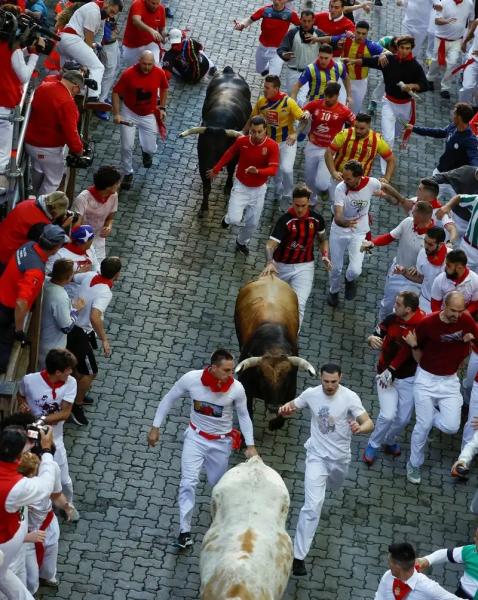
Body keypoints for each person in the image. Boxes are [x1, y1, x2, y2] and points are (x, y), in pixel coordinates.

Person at [147, 349, 258, 549]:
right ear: (213, 368)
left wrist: (250, 445)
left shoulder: (237, 389)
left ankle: (221, 520)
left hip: (221, 444)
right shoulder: (191, 379)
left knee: (218, 485)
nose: (230, 375)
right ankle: (184, 531)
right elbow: (169, 398)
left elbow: (243, 416)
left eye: (232, 370)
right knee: (188, 483)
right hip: (195, 439)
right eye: (226, 370)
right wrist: (155, 427)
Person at [278, 363, 373, 576]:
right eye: (326, 381)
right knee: (312, 506)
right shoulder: (311, 394)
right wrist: (283, 411)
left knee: (335, 485)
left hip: (340, 459)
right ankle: (298, 557)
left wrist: (360, 428)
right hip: (316, 457)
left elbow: (369, 423)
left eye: (334, 382)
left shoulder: (350, 397)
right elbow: (289, 408)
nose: (330, 386)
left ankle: (328, 485)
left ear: (340, 378)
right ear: (320, 378)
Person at [404, 291, 478, 484]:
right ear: (444, 306)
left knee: (452, 426)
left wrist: (468, 345)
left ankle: (426, 413)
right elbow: (416, 347)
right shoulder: (427, 324)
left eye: (460, 311)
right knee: (423, 425)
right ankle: (414, 464)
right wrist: (415, 352)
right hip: (426, 379)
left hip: (449, 380)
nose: (457, 315)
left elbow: (475, 341)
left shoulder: (466, 321)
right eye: (453, 310)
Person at [347, 35, 428, 174]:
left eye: (407, 48)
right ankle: (385, 171)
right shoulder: (388, 60)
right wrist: (353, 61)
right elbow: (369, 61)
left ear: (411, 49)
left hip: (405, 106)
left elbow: (425, 85)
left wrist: (411, 86)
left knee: (396, 133)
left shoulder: (416, 67)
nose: (404, 51)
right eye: (402, 48)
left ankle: (391, 146)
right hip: (388, 103)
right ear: (397, 48)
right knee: (388, 138)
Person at [17, 349, 80, 522]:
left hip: (55, 438)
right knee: (32, 474)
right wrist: (23, 405)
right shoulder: (29, 380)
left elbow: (65, 413)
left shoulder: (71, 383)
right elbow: (20, 396)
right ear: (58, 372)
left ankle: (68, 505)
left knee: (64, 478)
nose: (71, 372)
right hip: (31, 437)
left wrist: (41, 420)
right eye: (68, 370)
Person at [363, 291, 426, 465]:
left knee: (404, 418)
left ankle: (389, 440)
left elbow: (414, 354)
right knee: (388, 415)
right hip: (384, 375)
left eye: (398, 304)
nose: (394, 306)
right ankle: (373, 444)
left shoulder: (422, 326)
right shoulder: (392, 318)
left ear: (409, 309)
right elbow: (377, 333)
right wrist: (371, 339)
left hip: (408, 379)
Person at [0, 225, 69, 374]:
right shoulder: (35, 271)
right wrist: (18, 329)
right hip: (6, 311)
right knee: (3, 358)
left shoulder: (29, 246)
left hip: (3, 294)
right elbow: (21, 302)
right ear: (56, 247)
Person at [207, 116, 280, 257]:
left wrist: (257, 171)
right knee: (235, 219)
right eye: (253, 131)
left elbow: (273, 170)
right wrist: (216, 168)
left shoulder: (272, 146)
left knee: (252, 223)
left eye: (259, 131)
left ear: (265, 130)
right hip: (241, 187)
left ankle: (241, 242)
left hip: (259, 190)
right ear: (250, 130)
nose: (256, 135)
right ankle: (227, 219)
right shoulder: (242, 141)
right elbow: (230, 153)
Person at [261, 184, 331, 326]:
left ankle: (292, 340)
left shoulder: (317, 219)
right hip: (280, 267)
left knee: (299, 305)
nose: (299, 209)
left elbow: (323, 239)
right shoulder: (285, 220)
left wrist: (324, 255)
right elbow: (270, 245)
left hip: (304, 267)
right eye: (296, 205)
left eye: (303, 205)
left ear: (309, 202)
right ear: (292, 202)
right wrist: (269, 262)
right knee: (269, 303)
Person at [0, 425, 57, 600]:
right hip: (4, 544)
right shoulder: (16, 486)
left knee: (5, 577)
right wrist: (46, 450)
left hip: (7, 547)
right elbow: (47, 484)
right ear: (18, 456)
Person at [66, 256, 122, 425]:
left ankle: (75, 394)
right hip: (80, 333)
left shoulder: (90, 276)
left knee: (77, 367)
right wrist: (104, 339)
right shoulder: (105, 292)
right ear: (117, 274)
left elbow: (72, 277)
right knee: (90, 372)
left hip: (72, 326)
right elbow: (95, 317)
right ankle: (76, 406)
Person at [361, 201, 435, 321]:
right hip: (396, 272)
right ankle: (380, 330)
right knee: (387, 305)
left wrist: (419, 267)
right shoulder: (407, 222)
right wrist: (372, 243)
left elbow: (434, 261)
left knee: (402, 312)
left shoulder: (433, 237)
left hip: (415, 282)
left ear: (421, 216)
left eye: (414, 211)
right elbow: (390, 237)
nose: (411, 213)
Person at [327, 160, 387, 307]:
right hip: (339, 230)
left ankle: (349, 279)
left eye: (348, 178)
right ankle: (333, 291)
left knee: (355, 270)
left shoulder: (371, 183)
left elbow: (385, 186)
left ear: (359, 177)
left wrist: (400, 199)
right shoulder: (341, 188)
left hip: (359, 231)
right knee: (335, 268)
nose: (343, 180)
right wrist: (345, 223)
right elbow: (338, 215)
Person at [112, 50, 169, 191]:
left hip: (148, 114)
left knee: (150, 148)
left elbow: (164, 88)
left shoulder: (159, 73)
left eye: (150, 64)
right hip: (129, 112)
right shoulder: (128, 74)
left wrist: (162, 107)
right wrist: (117, 114)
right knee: (126, 146)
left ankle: (146, 152)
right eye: (144, 64)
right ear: (139, 61)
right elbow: (116, 92)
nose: (147, 67)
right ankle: (127, 172)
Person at [249, 74, 306, 210]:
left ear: (276, 89)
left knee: (286, 169)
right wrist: (243, 133)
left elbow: (304, 119)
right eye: (264, 87)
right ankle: (278, 188)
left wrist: (295, 134)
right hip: (270, 143)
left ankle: (287, 195)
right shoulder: (261, 102)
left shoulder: (289, 103)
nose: (264, 90)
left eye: (267, 87)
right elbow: (252, 119)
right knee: (275, 171)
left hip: (287, 142)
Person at [17, 452, 71, 593]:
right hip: (25, 534)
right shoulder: (14, 490)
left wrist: (65, 506)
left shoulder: (49, 470)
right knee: (31, 577)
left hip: (48, 524)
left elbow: (56, 495)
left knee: (51, 552)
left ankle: (47, 576)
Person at [24, 70, 85, 195]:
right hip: (48, 148)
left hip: (30, 143)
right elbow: (71, 132)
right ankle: (40, 207)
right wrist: (79, 150)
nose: (77, 94)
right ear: (75, 87)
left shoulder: (44, 87)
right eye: (79, 90)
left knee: (38, 169)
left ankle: (34, 195)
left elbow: (52, 77)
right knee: (53, 181)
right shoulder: (67, 102)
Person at [0, 4, 42, 185]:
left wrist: (25, 51)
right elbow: (24, 75)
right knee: (3, 151)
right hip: (5, 106)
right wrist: (34, 55)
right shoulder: (13, 51)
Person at [302, 81, 355, 205]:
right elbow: (302, 112)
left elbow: (355, 125)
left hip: (329, 151)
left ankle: (324, 189)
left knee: (321, 182)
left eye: (330, 96)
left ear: (337, 96)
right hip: (312, 146)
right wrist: (304, 114)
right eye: (325, 95)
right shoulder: (315, 104)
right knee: (309, 179)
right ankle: (312, 201)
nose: (327, 98)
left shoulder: (344, 111)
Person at [57, 0, 123, 97]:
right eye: (112, 12)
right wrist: (86, 62)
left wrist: (96, 44)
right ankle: (93, 97)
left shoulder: (101, 15)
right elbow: (88, 39)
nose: (112, 16)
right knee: (98, 67)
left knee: (66, 74)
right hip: (72, 40)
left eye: (114, 14)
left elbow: (100, 35)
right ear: (107, 4)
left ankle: (60, 93)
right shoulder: (93, 10)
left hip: (67, 41)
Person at [325, 112, 395, 202]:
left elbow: (391, 159)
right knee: (336, 206)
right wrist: (333, 172)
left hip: (360, 183)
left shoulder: (377, 141)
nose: (358, 131)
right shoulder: (344, 134)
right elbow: (328, 153)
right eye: (356, 127)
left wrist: (386, 178)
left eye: (362, 128)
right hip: (340, 178)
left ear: (369, 126)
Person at [0, 192, 69, 273]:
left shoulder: (29, 202)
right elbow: (52, 242)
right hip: (7, 255)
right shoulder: (40, 223)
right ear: (56, 212)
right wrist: (62, 226)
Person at [406, 103, 478, 180]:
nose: (452, 116)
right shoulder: (453, 127)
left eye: (454, 114)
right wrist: (414, 128)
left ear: (459, 118)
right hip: (440, 170)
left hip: (452, 180)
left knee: (426, 187)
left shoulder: (470, 140)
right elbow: (439, 132)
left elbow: (474, 158)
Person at [329, 20, 385, 113]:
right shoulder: (347, 38)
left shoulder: (371, 45)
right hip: (342, 79)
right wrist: (316, 39)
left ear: (367, 33)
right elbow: (330, 39)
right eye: (358, 33)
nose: (360, 36)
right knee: (340, 107)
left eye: (364, 34)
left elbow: (388, 52)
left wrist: (383, 54)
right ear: (354, 30)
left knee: (354, 110)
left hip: (360, 82)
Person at [39, 259, 85, 369]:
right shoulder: (60, 296)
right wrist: (76, 309)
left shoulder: (45, 282)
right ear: (69, 277)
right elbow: (67, 328)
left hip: (42, 342)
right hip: (52, 349)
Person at [233, 0, 300, 76]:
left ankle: (273, 68)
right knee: (260, 70)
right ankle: (268, 67)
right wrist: (241, 25)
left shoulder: (290, 14)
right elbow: (249, 20)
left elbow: (302, 26)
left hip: (278, 51)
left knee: (273, 78)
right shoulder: (265, 10)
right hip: (262, 48)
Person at [375, 542, 461, 599]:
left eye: (389, 562)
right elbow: (379, 597)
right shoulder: (388, 576)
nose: (388, 565)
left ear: (397, 567)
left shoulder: (429, 588)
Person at [427, 0, 474, 99]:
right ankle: (430, 78)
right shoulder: (444, 2)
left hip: (457, 40)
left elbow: (471, 20)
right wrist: (446, 21)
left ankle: (445, 87)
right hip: (440, 39)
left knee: (452, 63)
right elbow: (437, 20)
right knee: (436, 61)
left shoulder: (469, 4)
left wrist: (467, 37)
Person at [71, 166, 120, 262]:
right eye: (117, 183)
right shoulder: (83, 198)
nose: (119, 185)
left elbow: (110, 218)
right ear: (108, 187)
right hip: (82, 240)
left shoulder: (113, 196)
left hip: (99, 239)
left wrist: (108, 226)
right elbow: (75, 226)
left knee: (99, 269)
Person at [396, 227, 448, 313]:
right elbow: (422, 279)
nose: (426, 247)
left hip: (443, 307)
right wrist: (404, 272)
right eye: (425, 242)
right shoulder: (422, 253)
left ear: (441, 244)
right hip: (424, 300)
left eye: (430, 244)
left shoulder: (450, 260)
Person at [276, 9, 324, 101]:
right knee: (291, 100)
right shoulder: (293, 33)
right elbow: (282, 48)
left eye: (309, 21)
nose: (306, 24)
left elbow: (331, 43)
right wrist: (284, 54)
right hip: (292, 72)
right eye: (304, 21)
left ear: (313, 21)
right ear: (300, 20)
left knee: (301, 100)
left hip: (309, 73)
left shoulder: (319, 34)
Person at [417, 533, 478, 599]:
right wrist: (427, 560)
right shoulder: (472, 551)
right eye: (476, 536)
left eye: (477, 538)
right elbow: (446, 554)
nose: (474, 539)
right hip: (461, 594)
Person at [437, 194, 478, 271]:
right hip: (468, 249)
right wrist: (448, 206)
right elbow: (459, 197)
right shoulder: (476, 200)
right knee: (454, 275)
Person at [122, 0, 166, 67]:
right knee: (135, 70)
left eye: (158, 3)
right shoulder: (137, 3)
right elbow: (136, 21)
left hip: (150, 43)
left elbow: (162, 29)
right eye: (153, 3)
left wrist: (164, 36)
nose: (155, 6)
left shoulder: (161, 9)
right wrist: (151, 30)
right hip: (132, 45)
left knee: (155, 66)